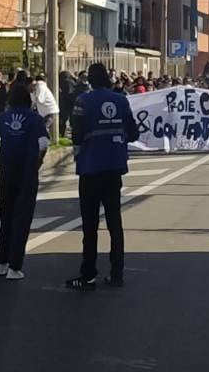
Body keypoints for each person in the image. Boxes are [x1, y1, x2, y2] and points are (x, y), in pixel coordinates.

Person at [66, 63, 140, 290]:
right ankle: (117, 273)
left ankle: (88, 275)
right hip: (114, 167)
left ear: (90, 80)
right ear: (108, 78)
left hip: (90, 167)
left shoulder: (83, 101)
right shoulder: (121, 100)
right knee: (114, 222)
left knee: (90, 225)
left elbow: (76, 134)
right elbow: (133, 132)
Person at [0, 85, 49, 280]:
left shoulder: (1, 118)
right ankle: (15, 267)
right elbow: (44, 144)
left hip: (6, 172)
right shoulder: (34, 118)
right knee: (22, 218)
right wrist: (38, 161)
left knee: (6, 217)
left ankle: (1, 263)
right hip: (27, 172)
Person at [31, 74, 59, 140]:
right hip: (48, 111)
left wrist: (33, 93)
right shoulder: (41, 87)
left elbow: (40, 100)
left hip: (49, 112)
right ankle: (45, 141)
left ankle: (46, 142)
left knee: (43, 128)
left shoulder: (40, 87)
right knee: (42, 128)